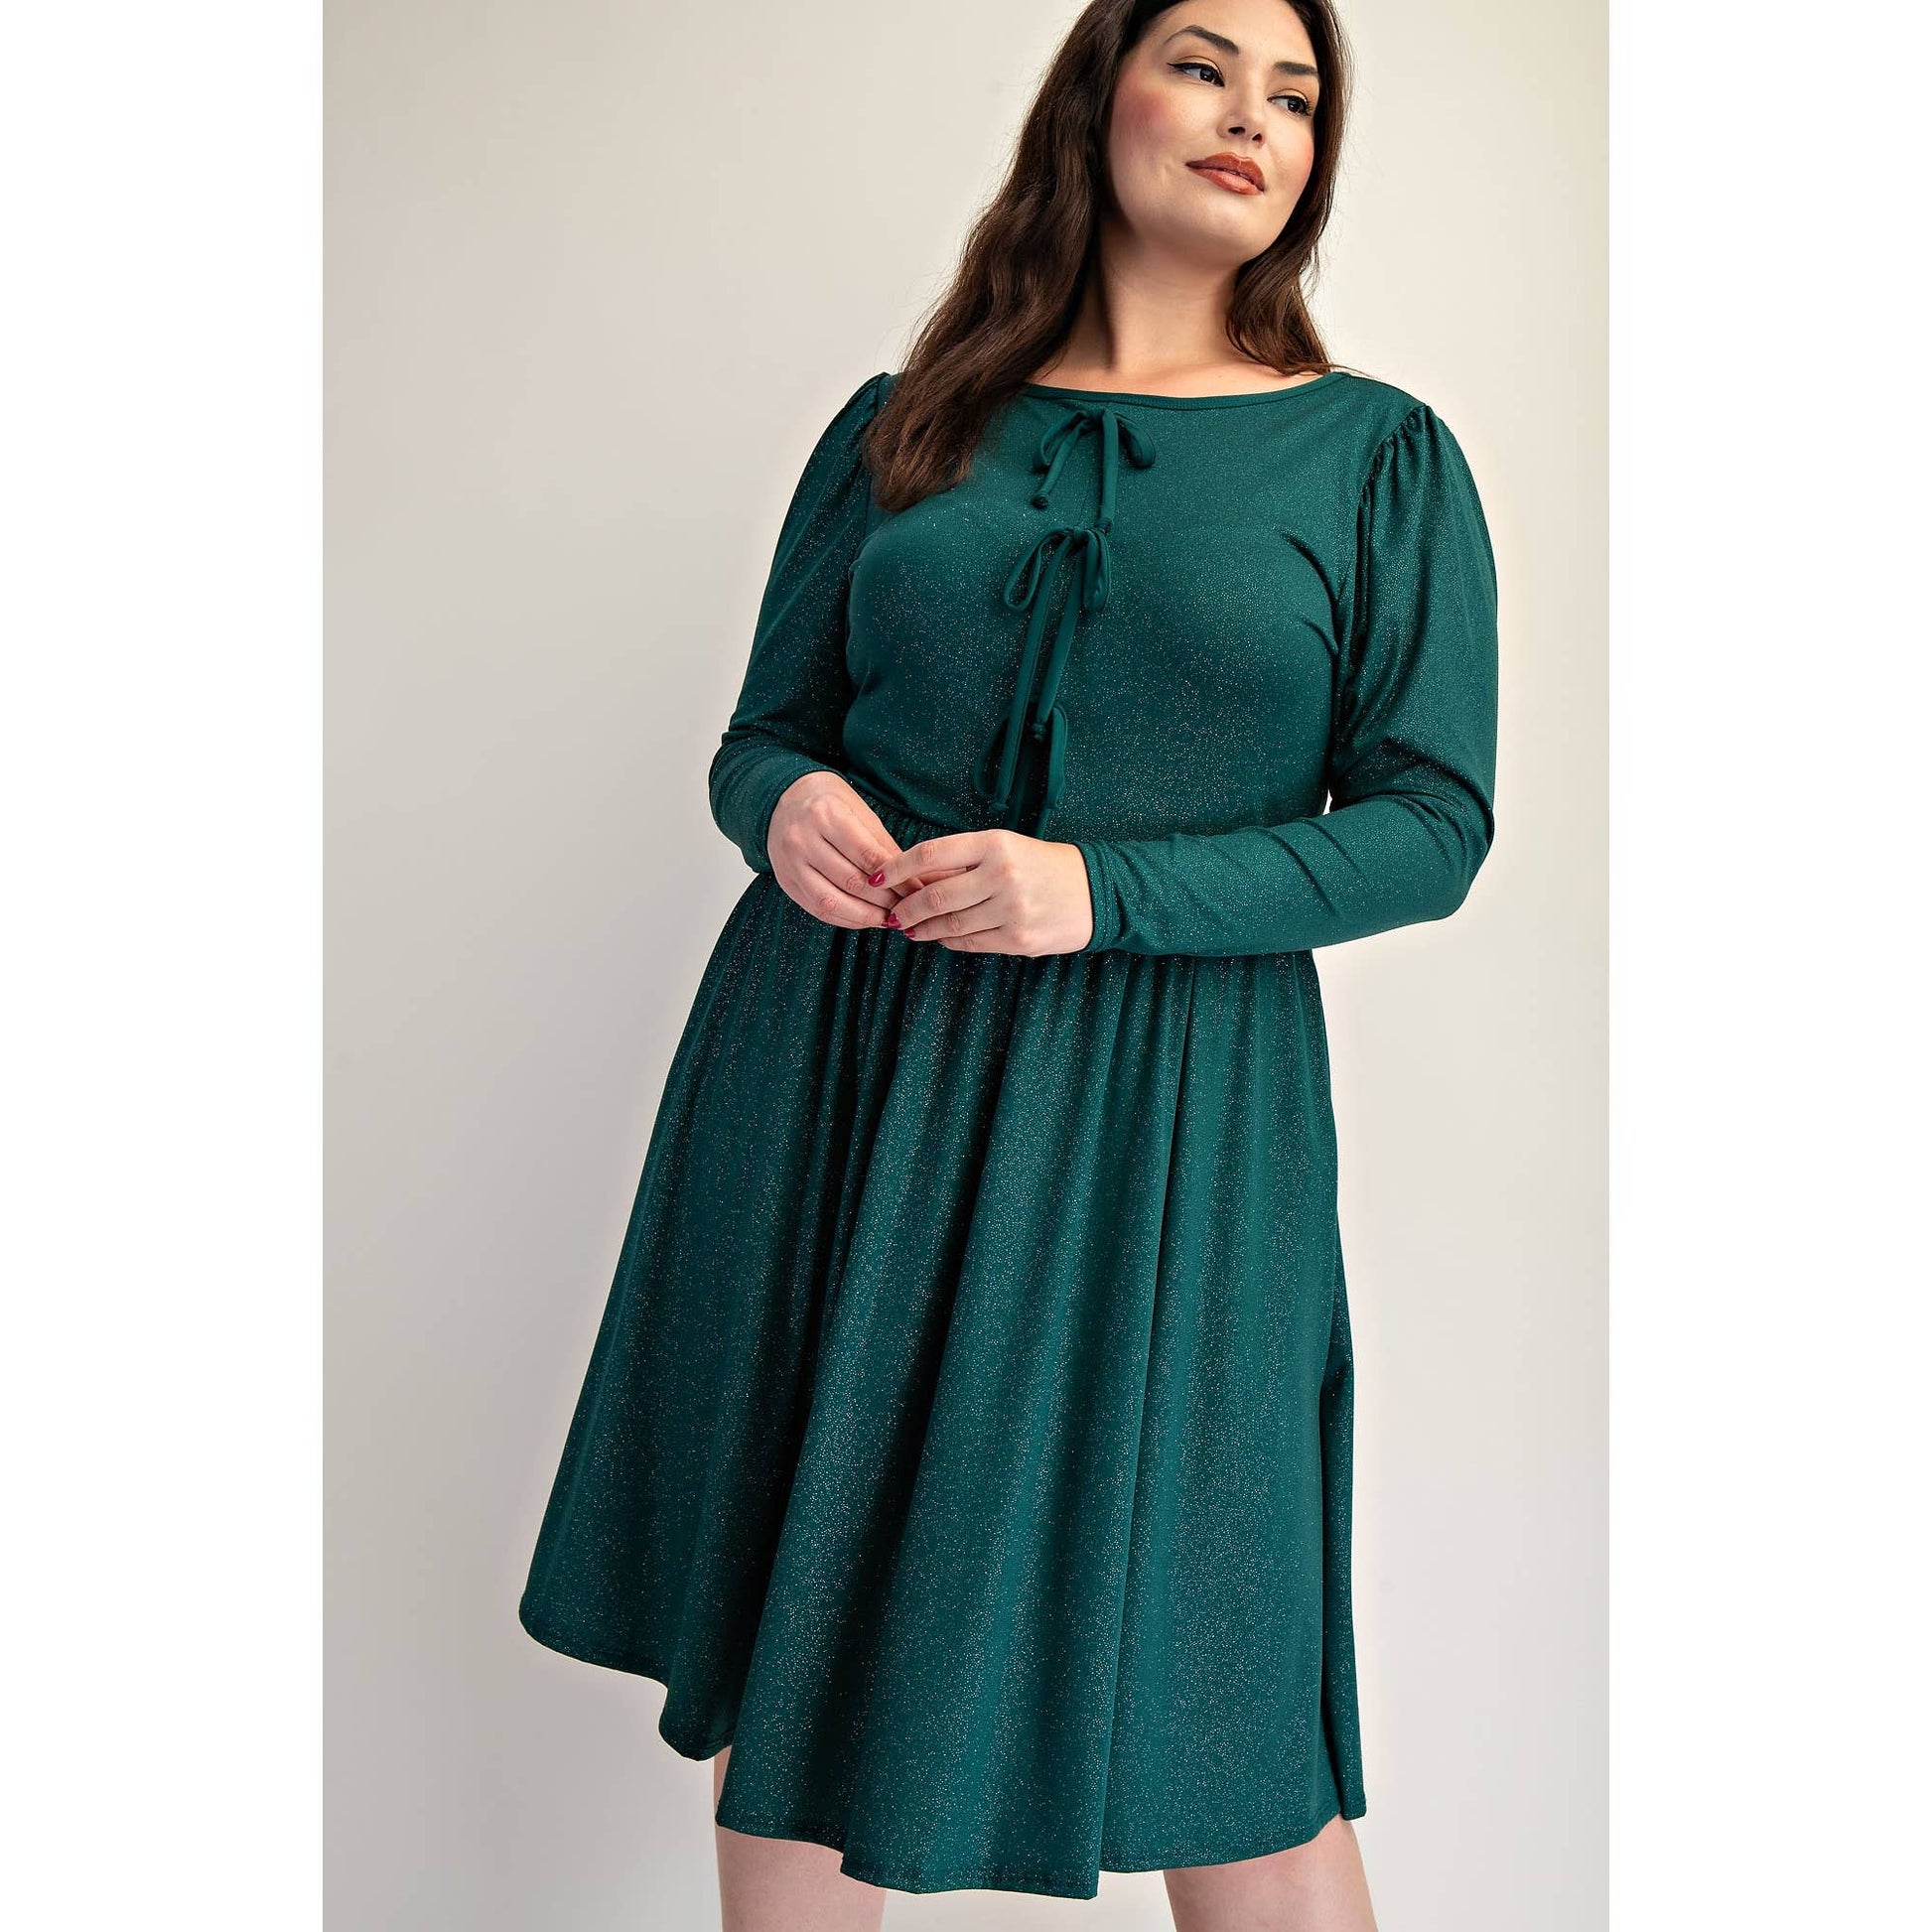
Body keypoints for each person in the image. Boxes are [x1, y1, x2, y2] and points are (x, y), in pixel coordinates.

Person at [518, 1, 1498, 1925]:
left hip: (1168, 1127)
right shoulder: (904, 423)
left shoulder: (1376, 458)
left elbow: (1429, 825)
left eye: (1297, 96)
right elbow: (763, 733)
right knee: (803, 1635)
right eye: (1205, 64)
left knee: (1225, 1688)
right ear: (1095, 98)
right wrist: (784, 804)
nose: (1253, 117)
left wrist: (1096, 891)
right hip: (837, 1069)